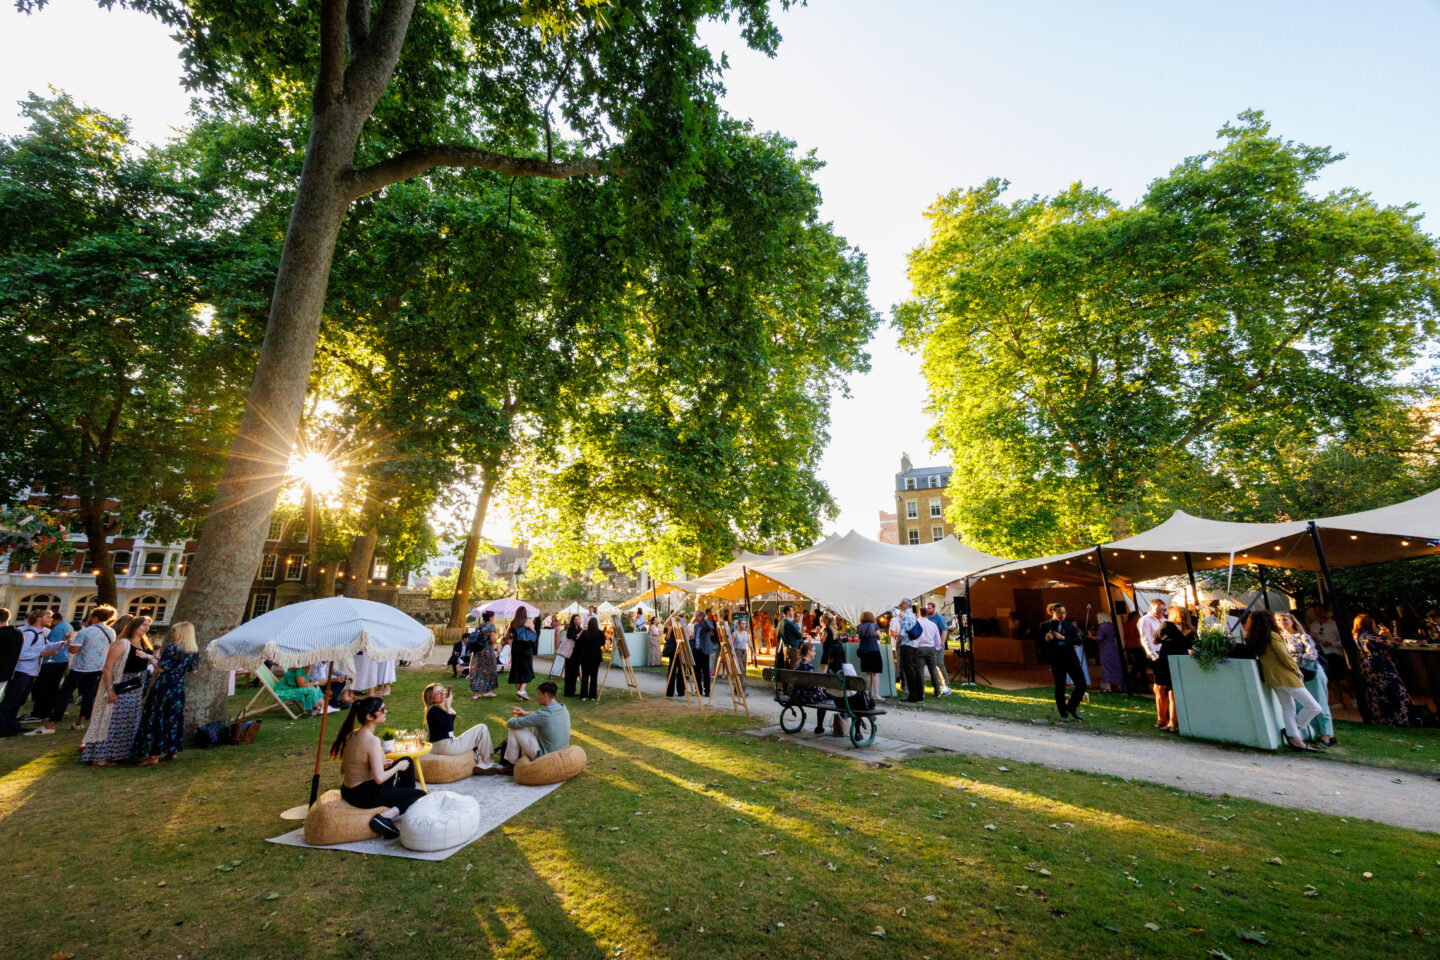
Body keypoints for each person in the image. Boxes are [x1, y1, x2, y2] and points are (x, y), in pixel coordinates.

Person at [330, 696, 424, 838]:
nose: (386, 711)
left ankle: (403, 799)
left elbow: (344, 769)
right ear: (369, 716)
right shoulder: (371, 740)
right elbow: (379, 779)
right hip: (363, 795)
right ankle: (384, 817)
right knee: (420, 794)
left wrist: (380, 764)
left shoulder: (353, 734)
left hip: (348, 791)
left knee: (408, 761)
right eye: (382, 710)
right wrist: (397, 767)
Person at [1241, 610, 1323, 750]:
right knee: (1314, 707)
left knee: (1288, 707)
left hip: (1272, 678)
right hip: (1286, 677)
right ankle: (1293, 731)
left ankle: (1295, 738)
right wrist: (1297, 670)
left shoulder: (1254, 638)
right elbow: (1285, 657)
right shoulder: (1272, 636)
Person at [30, 605, 117, 734]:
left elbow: (73, 650)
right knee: (88, 695)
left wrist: (69, 640)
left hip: (80, 667)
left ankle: (52, 724)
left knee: (64, 694)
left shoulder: (86, 631)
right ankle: (80, 721)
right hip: (97, 667)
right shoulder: (111, 632)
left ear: (95, 617)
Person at [81, 615, 154, 765]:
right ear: (134, 626)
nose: (146, 628)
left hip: (136, 687)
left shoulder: (143, 644)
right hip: (122, 684)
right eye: (143, 625)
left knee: (128, 720)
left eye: (148, 626)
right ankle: (100, 757)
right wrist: (110, 689)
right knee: (112, 721)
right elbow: (108, 667)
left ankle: (119, 754)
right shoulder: (122, 643)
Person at [133, 621, 202, 765]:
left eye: (174, 631)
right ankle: (172, 751)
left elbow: (161, 668)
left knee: (156, 717)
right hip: (178, 687)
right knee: (173, 718)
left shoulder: (173, 648)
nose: (172, 634)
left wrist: (149, 658)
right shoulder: (193, 650)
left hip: (164, 686)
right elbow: (194, 670)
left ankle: (153, 755)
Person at [1275, 611, 1336, 747]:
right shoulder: (1279, 639)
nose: (1281, 622)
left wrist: (1291, 659)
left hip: (1312, 671)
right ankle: (1311, 731)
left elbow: (1312, 655)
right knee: (1301, 704)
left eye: (1284, 619)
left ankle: (1327, 734)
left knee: (1319, 700)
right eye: (1278, 620)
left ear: (1292, 621)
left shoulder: (1303, 637)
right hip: (1296, 673)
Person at [0, 608, 65, 735]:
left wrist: (61, 644)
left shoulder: (39, 633)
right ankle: (3, 725)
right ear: (39, 618)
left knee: (20, 700)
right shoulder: (30, 634)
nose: (51, 619)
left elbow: (45, 645)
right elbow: (21, 654)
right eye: (48, 617)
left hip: (30, 672)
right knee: (11, 699)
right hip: (22, 671)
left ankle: (11, 723)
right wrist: (41, 654)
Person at [422, 682, 497, 773]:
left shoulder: (437, 708)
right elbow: (449, 727)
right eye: (438, 693)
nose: (442, 694)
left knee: (475, 737)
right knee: (482, 728)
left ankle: (481, 761)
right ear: (431, 698)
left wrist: (446, 704)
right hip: (444, 745)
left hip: (441, 745)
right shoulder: (434, 710)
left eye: (442, 691)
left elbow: (449, 721)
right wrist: (448, 706)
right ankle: (486, 763)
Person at [1352, 613, 1411, 727]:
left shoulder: (1359, 635)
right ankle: (1400, 718)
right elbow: (1393, 645)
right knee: (1392, 690)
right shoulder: (1372, 636)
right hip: (1381, 666)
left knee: (1375, 692)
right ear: (1369, 624)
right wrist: (1388, 636)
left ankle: (1380, 717)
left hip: (1367, 666)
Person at [500, 680, 570, 769]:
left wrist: (510, 721)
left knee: (513, 726)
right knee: (535, 724)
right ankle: (511, 762)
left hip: (545, 756)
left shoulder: (543, 715)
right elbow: (539, 715)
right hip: (561, 752)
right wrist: (525, 713)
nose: (538, 697)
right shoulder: (562, 707)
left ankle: (511, 765)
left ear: (545, 696)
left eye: (539, 694)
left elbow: (512, 723)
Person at [1037, 603, 1086, 721]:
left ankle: (1072, 707)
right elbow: (1039, 644)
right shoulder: (1044, 626)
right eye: (1059, 613)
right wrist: (1046, 639)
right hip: (1056, 661)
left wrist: (1063, 638)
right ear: (1053, 612)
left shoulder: (1069, 625)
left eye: (1064, 613)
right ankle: (1063, 713)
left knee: (1081, 684)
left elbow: (1078, 641)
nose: (1062, 615)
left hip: (1071, 659)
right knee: (1060, 687)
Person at [1151, 606, 1194, 733]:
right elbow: (1193, 646)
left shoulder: (1167, 625)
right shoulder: (1191, 630)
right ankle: (1172, 723)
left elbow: (1155, 641)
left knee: (1159, 689)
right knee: (1173, 693)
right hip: (1180, 662)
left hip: (1165, 661)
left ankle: (1161, 719)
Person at [28, 607, 74, 721]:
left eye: (51, 617)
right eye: (48, 617)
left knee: (45, 688)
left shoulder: (58, 628)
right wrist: (65, 642)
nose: (50, 619)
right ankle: (46, 711)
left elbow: (48, 646)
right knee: (52, 688)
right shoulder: (66, 626)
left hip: (53, 661)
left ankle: (40, 713)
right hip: (60, 660)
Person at [1305, 605, 1349, 706]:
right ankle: (1339, 701)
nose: (1318, 614)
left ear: (1326, 612)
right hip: (1322, 654)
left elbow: (1343, 640)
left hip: (1335, 653)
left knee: (1340, 679)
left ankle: (1351, 696)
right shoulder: (1314, 625)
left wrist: (1332, 644)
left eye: (1320, 611)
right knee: (1330, 679)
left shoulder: (1334, 624)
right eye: (1316, 612)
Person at [1138, 599, 1169, 725]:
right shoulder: (1145, 620)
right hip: (1156, 654)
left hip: (1165, 653)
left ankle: (1165, 714)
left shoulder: (1164, 620)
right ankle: (1161, 717)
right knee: (1160, 686)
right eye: (1158, 609)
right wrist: (1153, 656)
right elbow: (1145, 639)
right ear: (1151, 608)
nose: (1161, 612)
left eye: (1163, 609)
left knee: (1164, 686)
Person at [890, 598, 925, 703]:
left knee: (909, 670)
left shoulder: (905, 616)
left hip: (906, 645)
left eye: (902, 603)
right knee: (916, 669)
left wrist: (897, 644)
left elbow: (901, 634)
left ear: (907, 605)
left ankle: (913, 695)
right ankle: (919, 694)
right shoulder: (914, 615)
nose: (900, 605)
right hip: (914, 644)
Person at [920, 603, 951, 696]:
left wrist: (940, 644)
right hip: (930, 646)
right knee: (932, 666)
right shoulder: (927, 618)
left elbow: (944, 631)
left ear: (934, 608)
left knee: (940, 664)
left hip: (938, 645)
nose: (928, 610)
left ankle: (946, 686)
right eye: (927, 608)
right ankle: (938, 686)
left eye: (929, 608)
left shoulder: (939, 618)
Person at [469, 611, 500, 699]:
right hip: (487, 651)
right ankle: (487, 691)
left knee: (477, 671)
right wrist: (498, 636)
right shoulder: (491, 626)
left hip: (477, 651)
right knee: (488, 670)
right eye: (493, 617)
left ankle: (476, 693)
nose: (494, 618)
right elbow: (492, 639)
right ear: (490, 617)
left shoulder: (480, 626)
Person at [855, 611, 884, 700]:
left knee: (868, 672)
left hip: (864, 651)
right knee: (876, 672)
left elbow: (858, 638)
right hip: (874, 650)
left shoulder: (859, 627)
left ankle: (867, 693)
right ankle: (876, 694)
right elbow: (879, 637)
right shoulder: (874, 626)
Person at [576, 615, 606, 701]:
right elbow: (602, 643)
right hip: (596, 657)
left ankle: (583, 695)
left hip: (585, 657)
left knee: (585, 676)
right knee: (594, 676)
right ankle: (593, 696)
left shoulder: (585, 633)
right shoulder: (600, 633)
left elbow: (580, 643)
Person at [508, 611, 537, 701]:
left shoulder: (512, 622)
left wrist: (514, 636)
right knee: (527, 669)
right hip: (526, 649)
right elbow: (534, 633)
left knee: (516, 669)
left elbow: (507, 635)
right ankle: (521, 690)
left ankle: (520, 694)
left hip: (516, 648)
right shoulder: (527, 621)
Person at [1094, 613, 1124, 693]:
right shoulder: (1112, 625)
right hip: (1113, 646)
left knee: (1106, 666)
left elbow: (1099, 638)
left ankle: (1108, 687)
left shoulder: (1102, 626)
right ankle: (1119, 686)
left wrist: (1090, 636)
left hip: (1105, 648)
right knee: (1115, 666)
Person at [1121, 610, 1146, 693]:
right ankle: (1135, 675)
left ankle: (1140, 676)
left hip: (1130, 644)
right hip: (1136, 644)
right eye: (1138, 615)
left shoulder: (1126, 623)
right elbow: (1136, 634)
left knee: (1139, 661)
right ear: (1135, 616)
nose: (1139, 616)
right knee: (1141, 661)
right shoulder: (1134, 623)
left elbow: (1126, 635)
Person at [691, 610, 714, 698]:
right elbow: (696, 636)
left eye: (697, 616)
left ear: (701, 617)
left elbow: (711, 626)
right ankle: (698, 689)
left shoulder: (706, 625)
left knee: (705, 671)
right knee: (696, 671)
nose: (696, 617)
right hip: (696, 650)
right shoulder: (696, 626)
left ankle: (707, 690)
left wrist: (704, 619)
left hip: (704, 651)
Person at [663, 614, 686, 698]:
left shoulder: (674, 627)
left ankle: (671, 691)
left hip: (676, 651)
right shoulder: (680, 628)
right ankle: (679, 691)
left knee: (674, 671)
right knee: (679, 671)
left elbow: (667, 638)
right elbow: (667, 638)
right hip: (677, 651)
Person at [561, 613, 582, 698]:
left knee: (574, 673)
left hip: (577, 654)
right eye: (576, 619)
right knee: (569, 673)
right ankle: (568, 692)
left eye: (578, 619)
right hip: (570, 654)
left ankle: (572, 691)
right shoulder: (571, 628)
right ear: (573, 621)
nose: (577, 621)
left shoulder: (579, 628)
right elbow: (574, 637)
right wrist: (581, 633)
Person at [778, 605, 804, 670]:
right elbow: (799, 635)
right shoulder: (789, 623)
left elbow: (779, 634)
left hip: (785, 648)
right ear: (788, 612)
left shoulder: (781, 622)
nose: (793, 612)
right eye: (792, 610)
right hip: (792, 648)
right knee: (793, 668)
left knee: (787, 668)